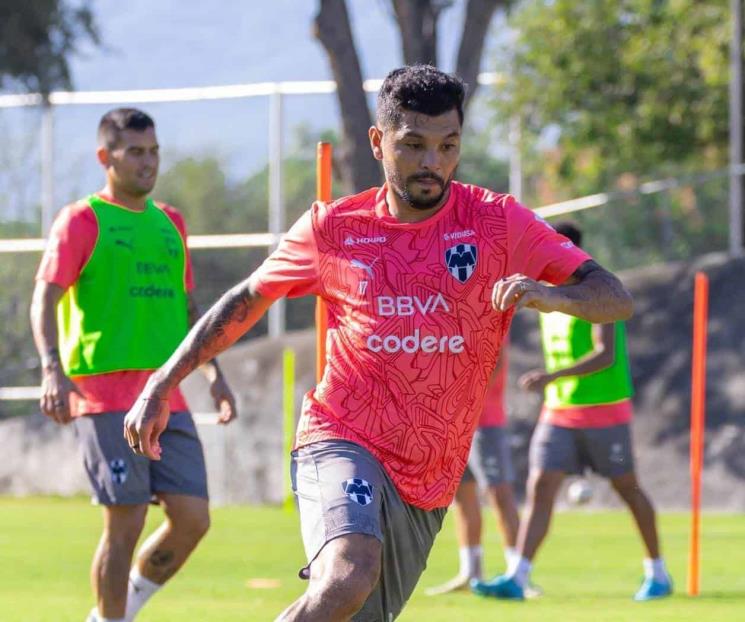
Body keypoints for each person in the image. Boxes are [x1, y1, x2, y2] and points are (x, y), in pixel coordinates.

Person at [124, 66, 633, 621]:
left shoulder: (499, 222)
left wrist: (549, 295)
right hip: (341, 438)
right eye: (413, 145)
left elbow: (613, 296)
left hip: (429, 477)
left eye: (447, 146)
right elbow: (245, 301)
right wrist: (162, 381)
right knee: (349, 574)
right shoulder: (333, 229)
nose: (432, 162)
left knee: (351, 605)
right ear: (378, 142)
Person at [29, 108, 237, 622]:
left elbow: (189, 311)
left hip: (168, 393)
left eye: (154, 152)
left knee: (193, 518)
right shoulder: (83, 219)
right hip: (102, 396)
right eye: (135, 152)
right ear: (106, 157)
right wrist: (51, 368)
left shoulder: (172, 222)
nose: (148, 163)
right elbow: (44, 297)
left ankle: (112, 614)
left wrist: (214, 374)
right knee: (126, 522)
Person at [472, 221, 672, 602]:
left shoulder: (598, 294)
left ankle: (658, 573)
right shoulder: (546, 296)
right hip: (560, 411)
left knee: (627, 489)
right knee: (540, 486)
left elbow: (605, 354)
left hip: (603, 411)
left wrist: (552, 376)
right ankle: (518, 576)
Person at [425, 349, 523, 596]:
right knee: (461, 495)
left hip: (485, 422)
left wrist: (461, 400)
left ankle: (518, 574)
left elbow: (496, 361)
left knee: (499, 494)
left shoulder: (491, 311)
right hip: (453, 422)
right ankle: (470, 572)